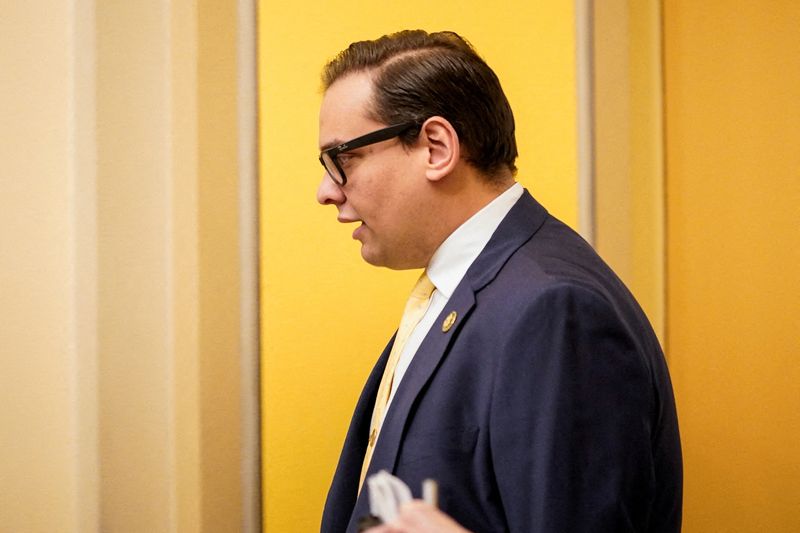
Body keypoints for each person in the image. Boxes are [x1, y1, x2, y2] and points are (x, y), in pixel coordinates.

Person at [316, 30, 682, 533]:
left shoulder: (554, 310)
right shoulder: (461, 293)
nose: (326, 191)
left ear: (436, 148)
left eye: (343, 159)